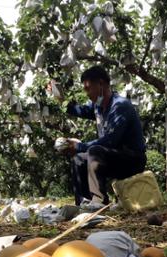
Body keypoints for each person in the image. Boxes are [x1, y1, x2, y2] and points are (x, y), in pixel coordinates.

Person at [60, 65, 146, 207]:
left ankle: (98, 200)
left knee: (94, 151)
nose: (86, 93)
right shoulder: (98, 106)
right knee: (79, 159)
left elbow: (111, 141)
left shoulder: (120, 106)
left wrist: (79, 146)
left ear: (101, 84)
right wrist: (61, 99)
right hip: (112, 157)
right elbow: (79, 110)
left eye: (88, 88)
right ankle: (83, 203)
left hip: (132, 159)